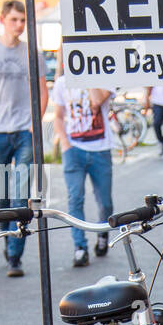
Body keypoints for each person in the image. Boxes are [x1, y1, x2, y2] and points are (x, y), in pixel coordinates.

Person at [0, 0, 48, 278]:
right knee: (0, 198)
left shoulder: (32, 52)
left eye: (23, 20)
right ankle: (7, 243)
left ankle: (15, 257)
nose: (19, 25)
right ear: (2, 19)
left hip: (23, 132)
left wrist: (34, 125)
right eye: (14, 19)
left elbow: (43, 90)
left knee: (20, 195)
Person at [52, 53, 114, 267]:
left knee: (105, 202)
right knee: (75, 198)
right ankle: (80, 247)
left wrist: (85, 76)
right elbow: (58, 116)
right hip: (74, 150)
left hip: (100, 150)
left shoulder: (105, 77)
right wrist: (65, 144)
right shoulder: (61, 83)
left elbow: (97, 101)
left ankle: (103, 233)